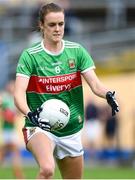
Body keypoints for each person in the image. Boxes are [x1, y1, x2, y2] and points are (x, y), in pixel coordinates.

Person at [14, 3, 119, 179]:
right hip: (39, 125)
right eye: (52, 24)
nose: (57, 29)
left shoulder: (76, 52)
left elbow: (95, 84)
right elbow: (18, 93)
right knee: (47, 169)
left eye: (61, 24)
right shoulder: (30, 56)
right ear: (41, 25)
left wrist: (107, 94)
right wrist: (29, 113)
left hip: (71, 128)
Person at [0, 80, 24, 179]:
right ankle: (18, 175)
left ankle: (18, 174)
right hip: (6, 130)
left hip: (11, 130)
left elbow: (18, 113)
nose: (12, 88)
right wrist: (7, 115)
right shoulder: (4, 99)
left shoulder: (15, 100)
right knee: (5, 153)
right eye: (10, 86)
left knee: (14, 153)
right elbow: (3, 113)